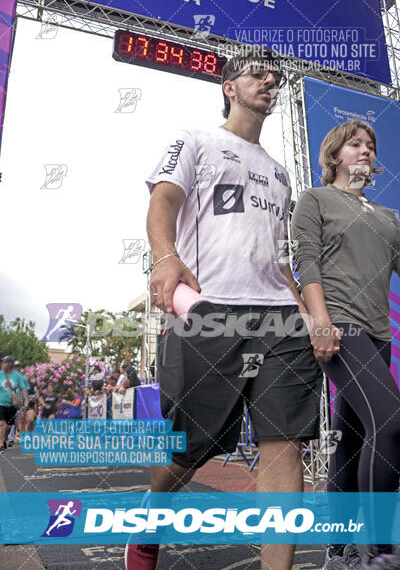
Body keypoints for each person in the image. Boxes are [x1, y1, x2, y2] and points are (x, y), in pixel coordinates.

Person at [125, 52, 323, 570]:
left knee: (285, 445)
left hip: (279, 317)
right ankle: (152, 517)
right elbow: (162, 202)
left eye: (273, 77)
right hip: (209, 310)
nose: (269, 81)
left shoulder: (281, 174)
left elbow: (278, 257)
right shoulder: (194, 140)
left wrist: (303, 307)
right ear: (228, 86)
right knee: (190, 446)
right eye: (257, 73)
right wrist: (166, 258)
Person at [291, 120, 400, 570]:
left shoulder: (390, 217)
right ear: (335, 155)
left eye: (371, 146)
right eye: (355, 144)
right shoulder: (315, 200)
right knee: (392, 423)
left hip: (378, 336)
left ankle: (338, 550)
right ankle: (378, 553)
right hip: (339, 327)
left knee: (352, 439)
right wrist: (319, 320)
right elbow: (306, 261)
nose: (365, 151)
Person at [0, 356, 28, 452]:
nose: (2, 364)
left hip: (13, 404)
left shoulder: (18, 376)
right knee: (2, 424)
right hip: (1, 403)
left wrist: (26, 400)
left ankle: (4, 439)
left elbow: (23, 389)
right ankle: (1, 443)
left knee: (8, 426)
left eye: (4, 362)